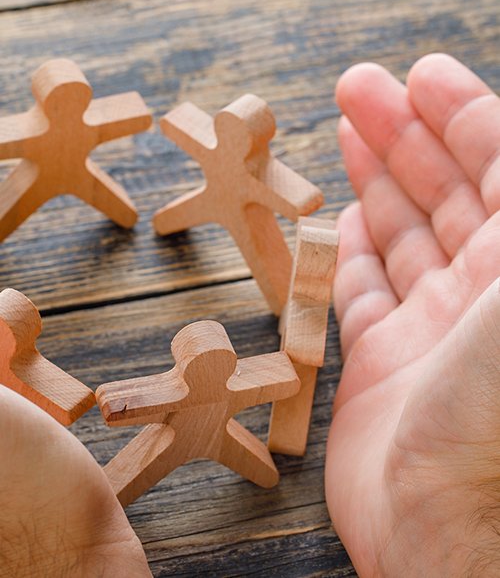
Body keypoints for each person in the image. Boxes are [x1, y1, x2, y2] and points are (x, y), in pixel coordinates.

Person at [1, 54, 499, 577]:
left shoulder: (195, 387)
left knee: (265, 275)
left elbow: (104, 403)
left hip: (239, 226)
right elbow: (102, 400)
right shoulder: (219, 386)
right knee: (230, 435)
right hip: (219, 224)